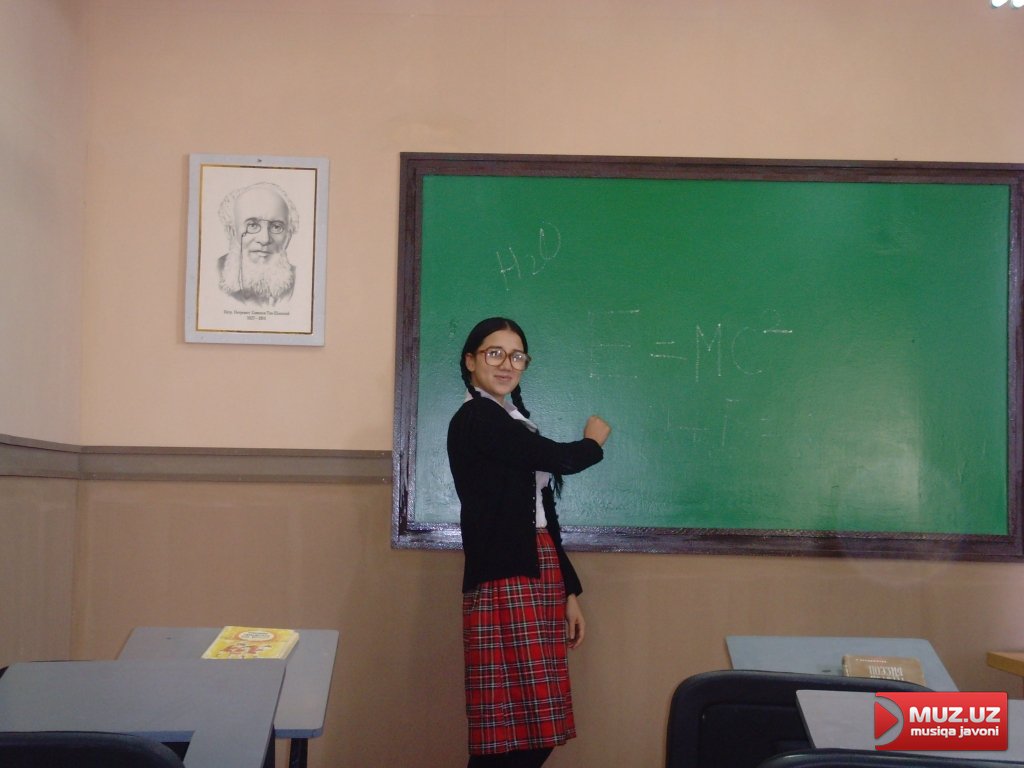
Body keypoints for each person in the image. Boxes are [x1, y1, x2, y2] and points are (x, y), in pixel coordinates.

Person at [447, 317, 612, 768]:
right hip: (507, 576)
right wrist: (593, 443)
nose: (507, 364)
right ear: (470, 360)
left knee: (532, 728)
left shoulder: (511, 422)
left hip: (536, 570)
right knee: (512, 733)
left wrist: (568, 591)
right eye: (494, 353)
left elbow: (543, 516)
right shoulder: (477, 417)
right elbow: (561, 458)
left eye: (516, 356)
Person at [216, 181, 298, 306]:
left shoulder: (303, 280)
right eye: (252, 225)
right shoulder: (211, 275)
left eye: (276, 227)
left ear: (288, 236)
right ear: (231, 232)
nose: (265, 239)